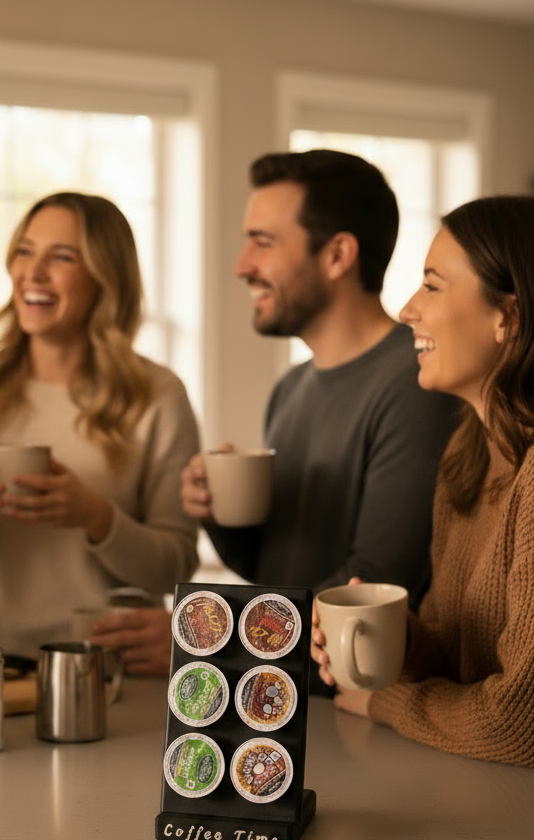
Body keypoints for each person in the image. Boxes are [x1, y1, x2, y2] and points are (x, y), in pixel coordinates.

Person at [93, 150, 457, 676]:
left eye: (262, 243)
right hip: (284, 708)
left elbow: (368, 591)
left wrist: (204, 634)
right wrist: (220, 514)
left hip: (359, 719)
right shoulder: (290, 389)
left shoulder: (414, 384)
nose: (242, 266)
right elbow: (271, 571)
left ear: (337, 255)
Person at [0, 191, 200, 656]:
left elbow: (175, 568)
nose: (33, 272)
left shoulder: (160, 395)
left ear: (104, 278)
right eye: (25, 251)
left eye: (62, 257)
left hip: (110, 670)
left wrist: (95, 517)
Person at [312, 196, 534, 766]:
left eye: (433, 286)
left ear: (505, 315)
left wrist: (382, 699)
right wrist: (395, 642)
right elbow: (452, 650)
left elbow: (519, 722)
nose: (409, 309)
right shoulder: (468, 455)